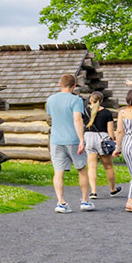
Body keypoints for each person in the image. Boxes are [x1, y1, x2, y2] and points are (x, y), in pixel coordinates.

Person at [46, 73, 91, 212]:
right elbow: (77, 120)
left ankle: (61, 202)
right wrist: (82, 139)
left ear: (60, 84)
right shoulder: (76, 100)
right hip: (73, 139)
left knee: (58, 171)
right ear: (74, 86)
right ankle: (85, 201)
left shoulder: (50, 99)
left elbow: (51, 116)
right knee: (82, 169)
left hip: (56, 140)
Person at [82, 91, 120, 198]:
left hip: (88, 137)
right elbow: (111, 130)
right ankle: (112, 189)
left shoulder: (85, 111)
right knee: (108, 167)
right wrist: (112, 141)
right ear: (101, 100)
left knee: (92, 167)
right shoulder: (107, 113)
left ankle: (93, 191)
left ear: (90, 100)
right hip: (102, 138)